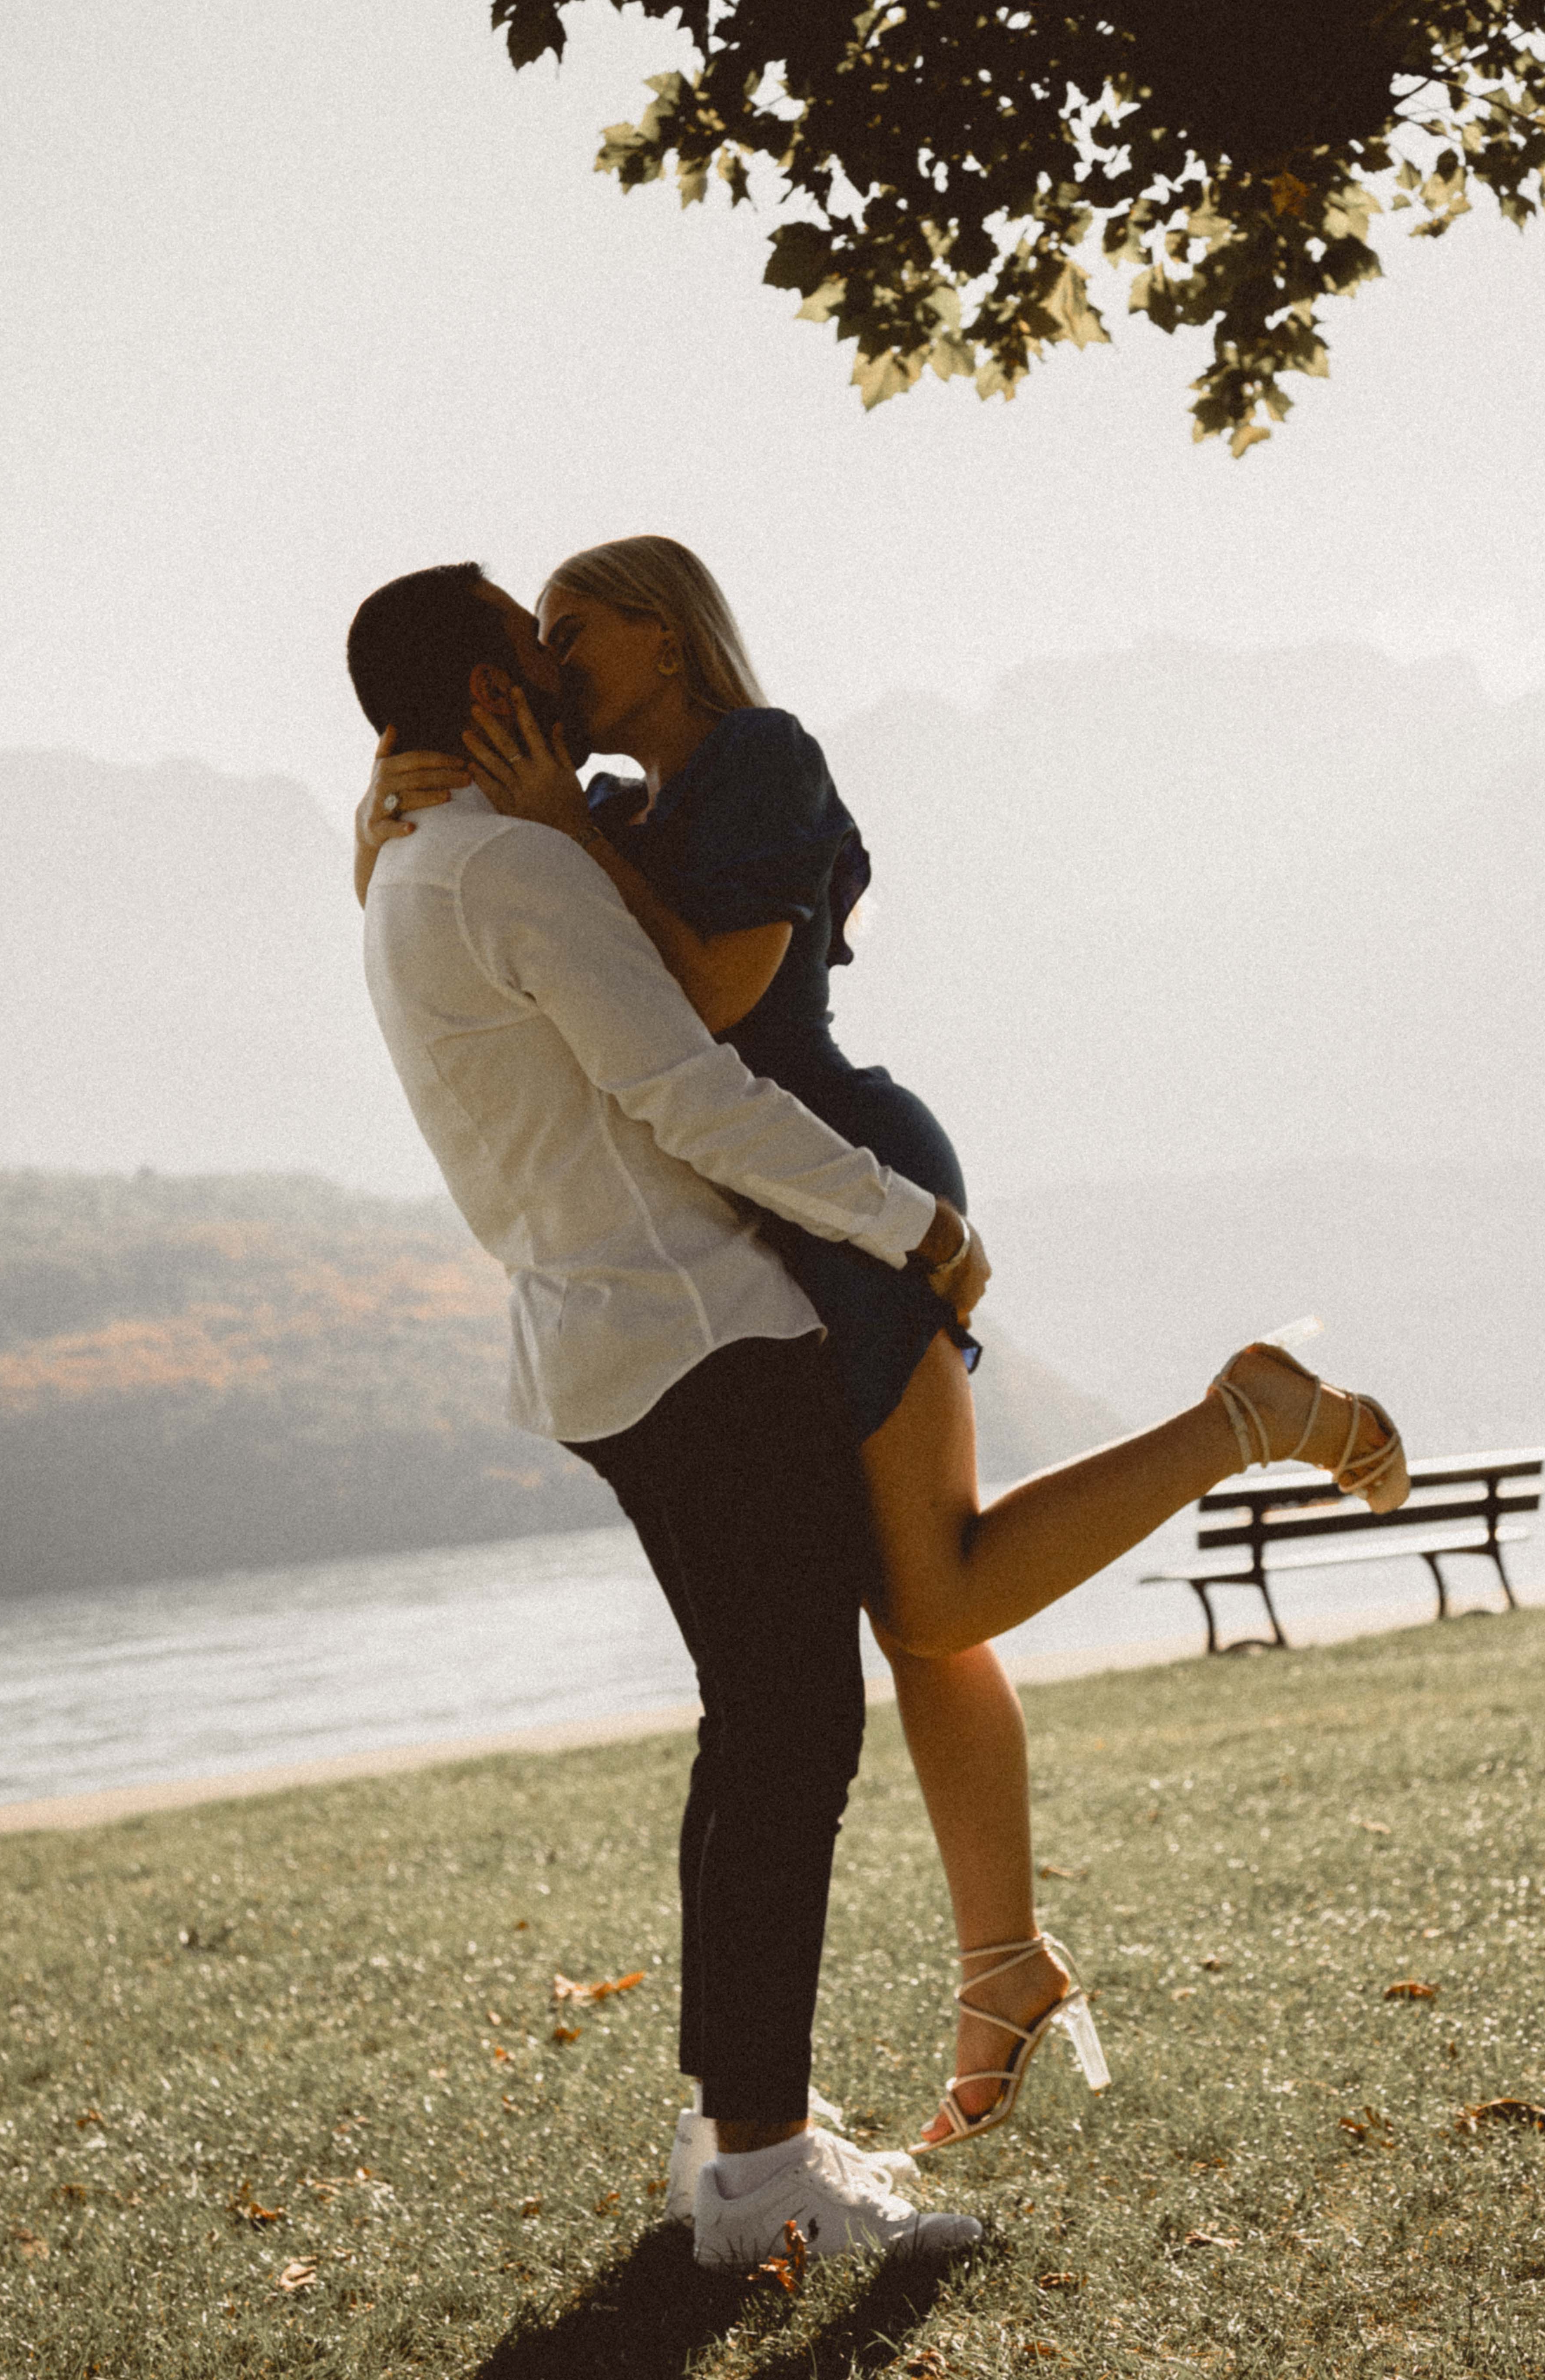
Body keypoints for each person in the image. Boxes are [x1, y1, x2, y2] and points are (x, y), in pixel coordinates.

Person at [357, 536, 1410, 2156]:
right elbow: (532, 921)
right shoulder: (620, 813)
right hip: (780, 1213)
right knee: (928, 1618)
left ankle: (1243, 1417)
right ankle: (1002, 1968)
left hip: (848, 1176)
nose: (556, 663)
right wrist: (401, 823)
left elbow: (708, 996)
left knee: (934, 1595)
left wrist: (558, 828)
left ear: (662, 631)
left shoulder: (756, 761)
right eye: (537, 640)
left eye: (576, 630)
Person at [347, 562, 985, 2270]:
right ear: (486, 692)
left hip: (599, 1350)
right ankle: (766, 2171)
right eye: (522, 635)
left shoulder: (407, 874)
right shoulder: (520, 863)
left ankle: (737, 2130)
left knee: (755, 1729)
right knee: (793, 1738)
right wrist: (907, 1219)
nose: (550, 660)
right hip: (703, 1337)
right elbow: (689, 1088)